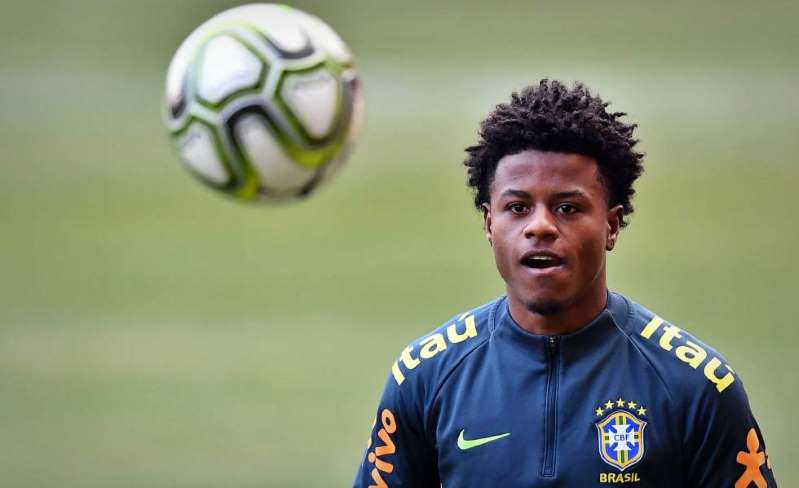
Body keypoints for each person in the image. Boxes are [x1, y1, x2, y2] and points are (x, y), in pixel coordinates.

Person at [353, 80, 776, 487]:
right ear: (488, 224)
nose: (540, 226)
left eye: (568, 208)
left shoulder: (695, 386)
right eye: (517, 207)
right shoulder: (428, 376)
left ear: (611, 225)